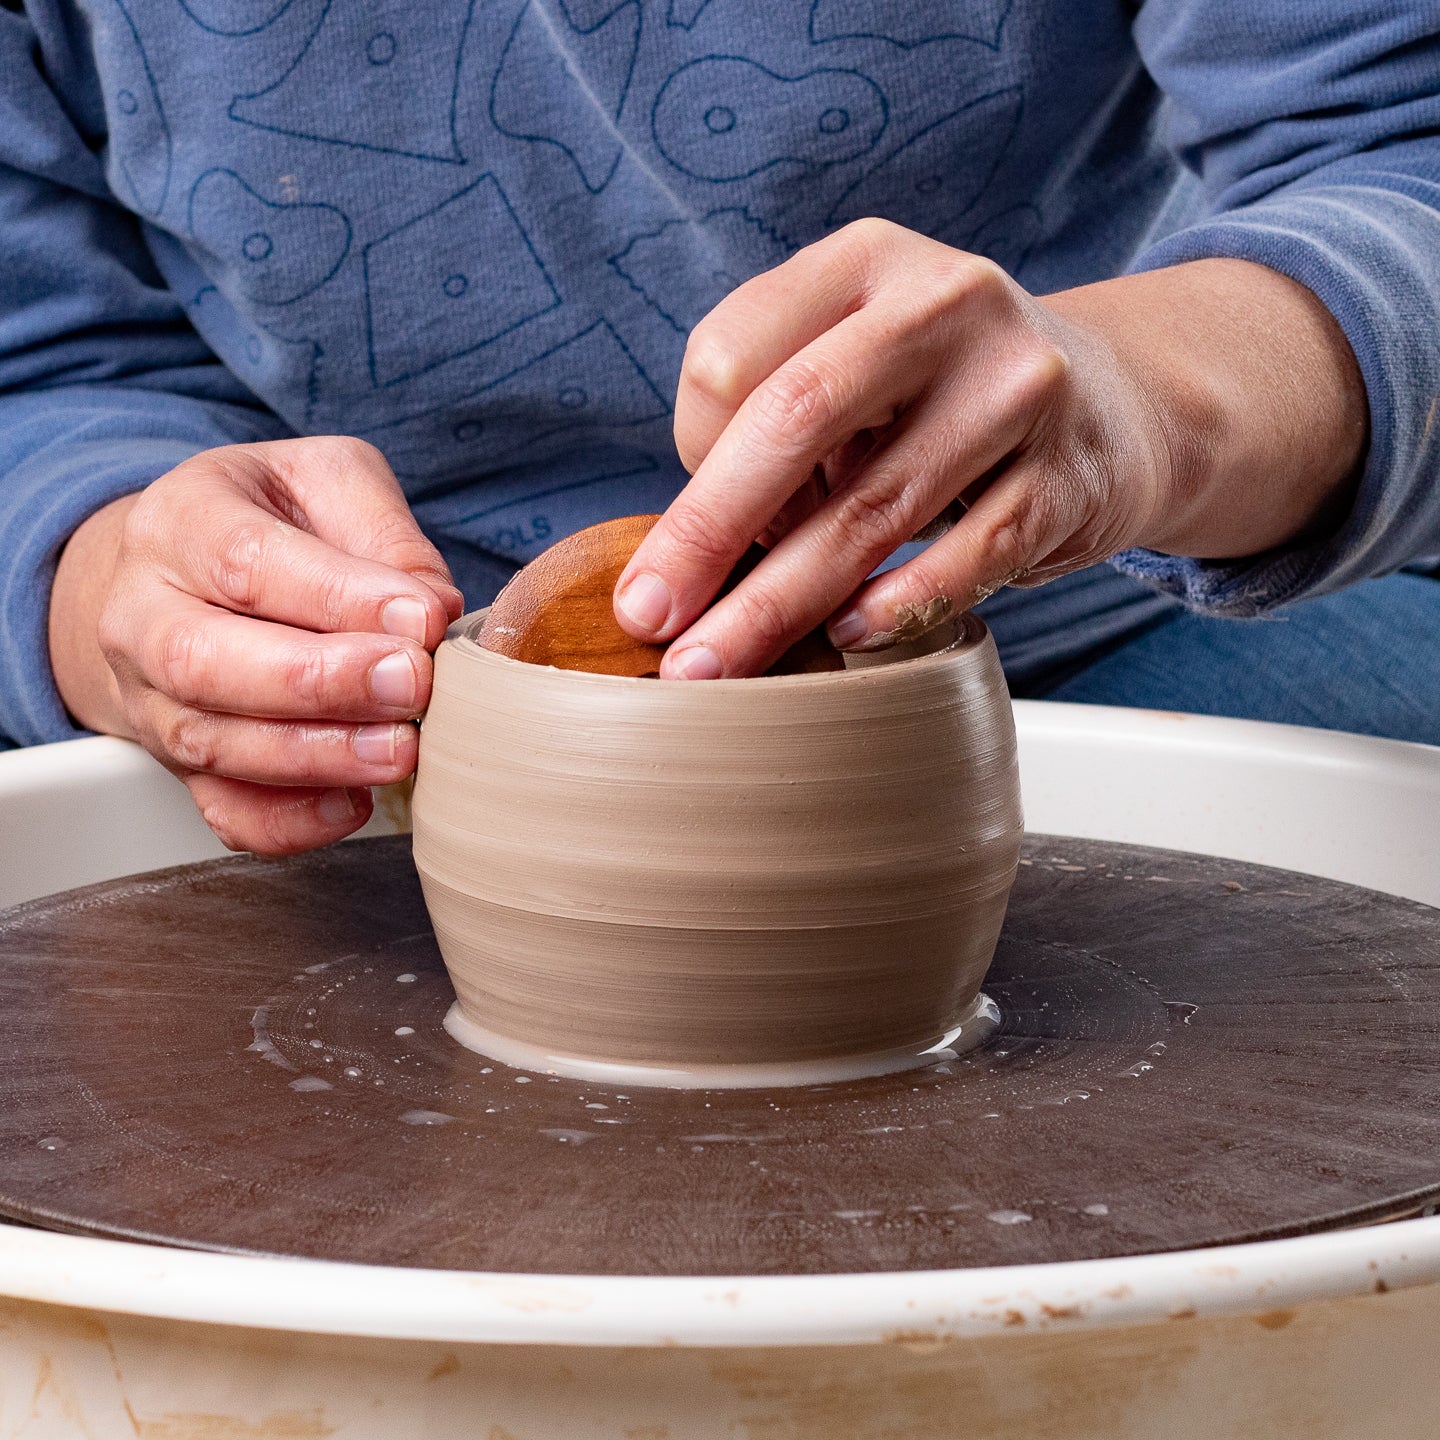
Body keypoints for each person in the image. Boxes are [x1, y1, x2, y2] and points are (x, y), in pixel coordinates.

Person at [1, 0, 1437, 855]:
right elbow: (36, 358)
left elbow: (1401, 159)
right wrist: (119, 584)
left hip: (1103, 582)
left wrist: (1143, 409)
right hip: (345, 707)